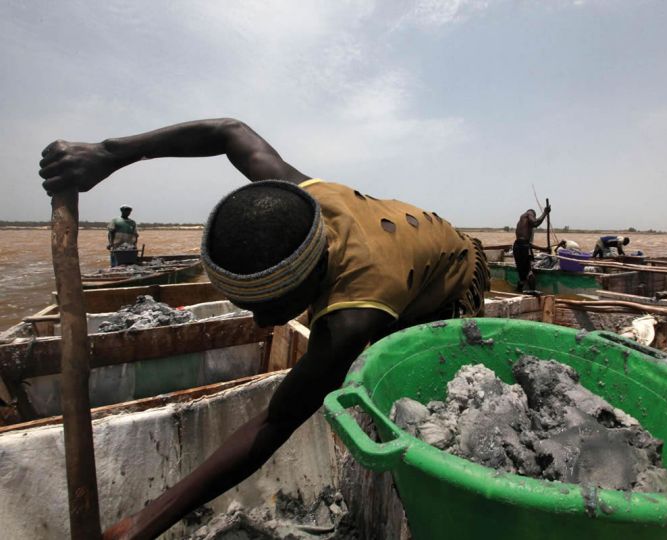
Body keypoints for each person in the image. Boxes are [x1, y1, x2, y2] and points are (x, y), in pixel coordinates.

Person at [37, 118, 490, 540]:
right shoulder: (297, 196)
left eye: (270, 308)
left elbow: (275, 422)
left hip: (450, 272)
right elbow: (228, 132)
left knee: (423, 386)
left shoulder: (353, 315)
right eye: (247, 307)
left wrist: (142, 523)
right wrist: (109, 153)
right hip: (396, 246)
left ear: (315, 280)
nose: (259, 323)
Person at [513, 205, 550, 291]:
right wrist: (545, 213)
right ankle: (533, 294)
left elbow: (527, 243)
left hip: (517, 246)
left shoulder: (521, 222)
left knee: (522, 276)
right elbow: (536, 223)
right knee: (529, 271)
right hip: (523, 247)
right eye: (533, 216)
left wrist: (544, 249)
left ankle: (518, 292)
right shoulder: (529, 214)